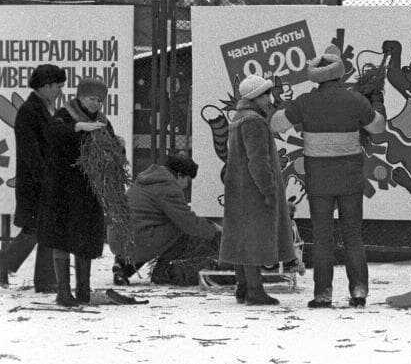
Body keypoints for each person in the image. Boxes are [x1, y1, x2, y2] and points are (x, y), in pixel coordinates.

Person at [270, 45, 386, 309]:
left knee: (323, 238)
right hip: (350, 179)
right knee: (353, 236)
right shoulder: (355, 100)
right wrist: (377, 102)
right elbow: (377, 127)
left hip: (319, 180)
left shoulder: (306, 102)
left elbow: (277, 124)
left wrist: (285, 104)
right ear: (340, 75)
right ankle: (358, 291)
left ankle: (323, 294)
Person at [37, 77, 117, 307]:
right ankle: (63, 292)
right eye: (92, 99)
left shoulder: (101, 121)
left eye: (100, 101)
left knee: (85, 238)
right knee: (62, 238)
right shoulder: (64, 115)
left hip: (88, 190)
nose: (96, 104)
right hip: (62, 188)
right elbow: (51, 135)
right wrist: (77, 128)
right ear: (80, 97)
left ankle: (83, 290)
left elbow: (112, 144)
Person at [219, 74, 294, 306]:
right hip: (254, 189)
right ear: (255, 97)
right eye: (265, 95)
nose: (269, 99)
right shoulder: (254, 122)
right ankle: (254, 290)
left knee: (243, 237)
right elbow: (258, 160)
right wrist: (269, 190)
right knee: (255, 238)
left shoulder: (238, 118)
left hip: (238, 187)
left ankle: (243, 287)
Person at [0, 64, 65, 293]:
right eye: (57, 86)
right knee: (37, 229)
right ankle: (43, 279)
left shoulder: (41, 108)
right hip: (36, 182)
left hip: (39, 181)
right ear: (45, 86)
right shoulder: (31, 111)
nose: (60, 90)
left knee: (40, 228)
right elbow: (32, 153)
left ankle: (45, 280)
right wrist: (47, 180)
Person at [110, 154, 220, 286]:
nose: (186, 187)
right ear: (179, 175)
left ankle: (123, 267)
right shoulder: (168, 187)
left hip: (117, 238)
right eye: (188, 181)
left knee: (148, 229)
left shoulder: (147, 180)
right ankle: (161, 273)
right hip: (136, 240)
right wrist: (214, 229)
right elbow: (187, 222)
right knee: (179, 228)